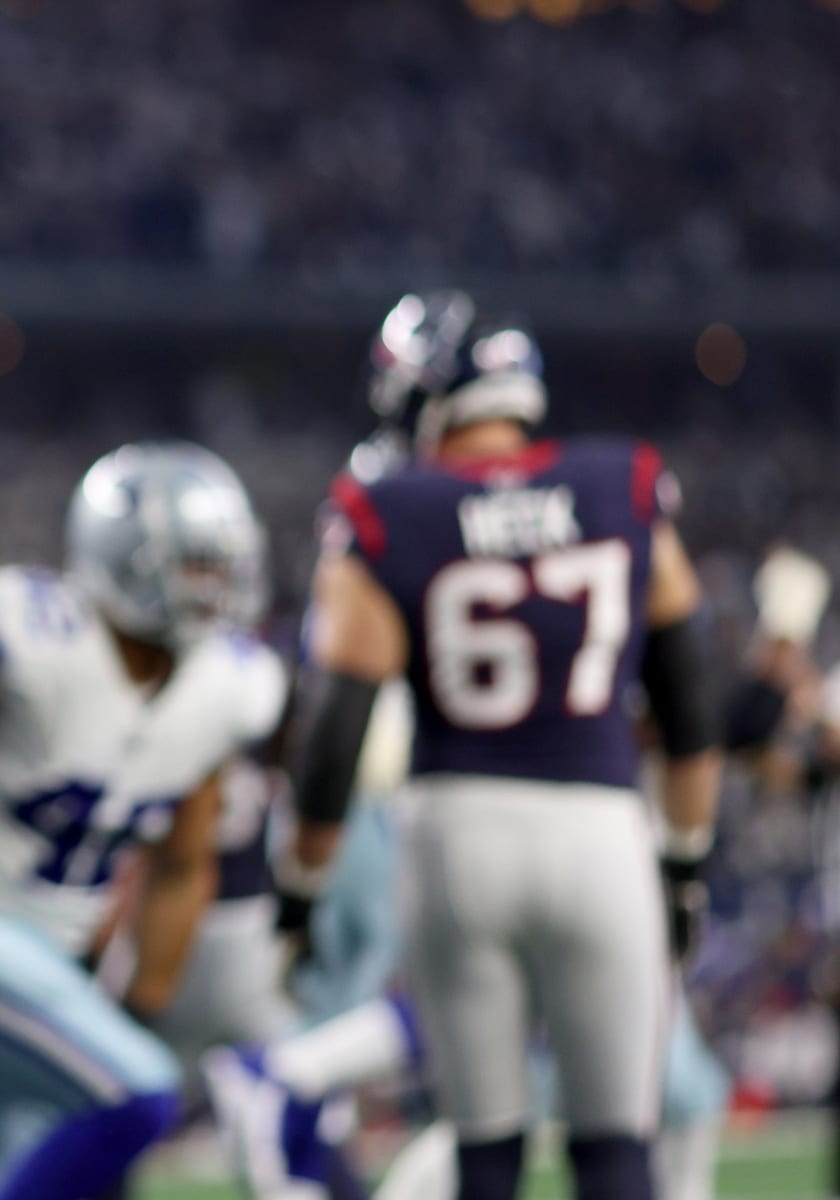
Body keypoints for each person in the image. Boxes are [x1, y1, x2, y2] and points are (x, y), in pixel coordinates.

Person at [273, 290, 723, 1200]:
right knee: (616, 1150)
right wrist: (683, 863)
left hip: (455, 833)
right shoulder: (623, 482)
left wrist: (302, 890)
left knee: (483, 1151)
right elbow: (688, 703)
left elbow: (333, 729)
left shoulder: (385, 508)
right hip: (600, 832)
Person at [0, 442, 287, 1200]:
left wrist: (135, 1004)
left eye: (221, 565)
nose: (213, 585)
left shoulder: (227, 684)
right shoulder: (33, 632)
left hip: (60, 958)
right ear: (124, 557)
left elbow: (181, 865)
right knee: (138, 1096)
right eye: (194, 564)